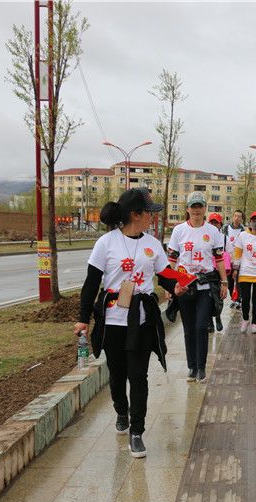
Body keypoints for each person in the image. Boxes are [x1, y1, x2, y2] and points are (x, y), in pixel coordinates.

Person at [74, 188, 184, 458]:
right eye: (149, 213)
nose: (152, 218)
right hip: (112, 320)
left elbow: (165, 274)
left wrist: (176, 285)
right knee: (117, 374)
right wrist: (83, 319)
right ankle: (121, 411)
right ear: (135, 214)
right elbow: (91, 283)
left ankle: (137, 431)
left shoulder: (152, 244)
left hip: (141, 320)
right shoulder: (106, 243)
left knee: (138, 376)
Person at [167, 192, 228, 382]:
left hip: (206, 285)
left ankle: (201, 367)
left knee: (201, 326)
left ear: (205, 208)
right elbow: (172, 259)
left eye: (200, 206)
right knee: (189, 329)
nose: (196, 210)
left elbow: (219, 259)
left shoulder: (213, 232)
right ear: (188, 209)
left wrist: (224, 282)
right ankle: (192, 367)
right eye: (193, 206)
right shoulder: (179, 231)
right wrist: (171, 285)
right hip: (185, 286)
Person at [207, 212, 229, 331]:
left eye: (216, 223)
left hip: (220, 271)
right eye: (212, 222)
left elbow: (229, 253)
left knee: (218, 295)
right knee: (208, 296)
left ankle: (218, 316)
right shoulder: (204, 236)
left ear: (220, 224)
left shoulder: (224, 238)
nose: (214, 225)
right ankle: (209, 321)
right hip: (207, 271)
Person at [224, 210, 245, 308]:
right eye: (235, 216)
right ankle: (233, 298)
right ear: (232, 217)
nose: (237, 218)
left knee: (239, 280)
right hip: (228, 259)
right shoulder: (225, 229)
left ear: (242, 219)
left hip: (239, 258)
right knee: (230, 281)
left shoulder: (244, 231)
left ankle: (239, 299)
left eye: (239, 216)